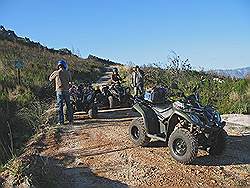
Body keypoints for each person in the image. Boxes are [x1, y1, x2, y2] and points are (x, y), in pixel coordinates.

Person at [49, 60, 73, 126]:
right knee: (68, 105)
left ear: (59, 66)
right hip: (66, 91)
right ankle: (71, 121)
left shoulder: (56, 72)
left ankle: (61, 122)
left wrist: (53, 73)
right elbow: (70, 81)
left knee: (60, 106)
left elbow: (50, 79)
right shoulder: (68, 73)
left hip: (59, 91)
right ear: (64, 65)